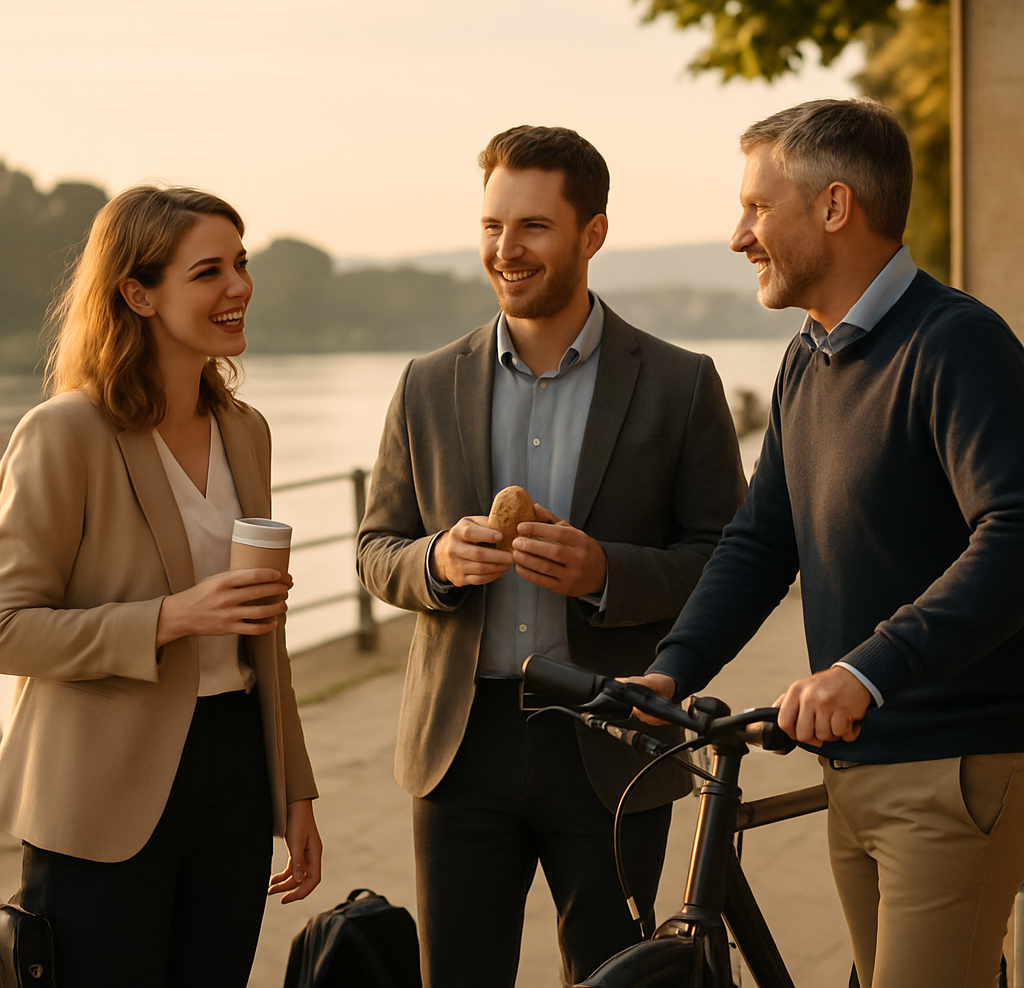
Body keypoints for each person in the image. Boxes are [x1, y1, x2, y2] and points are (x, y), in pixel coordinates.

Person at [633, 99, 1024, 988]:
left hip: (949, 770)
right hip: (854, 768)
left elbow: (1015, 534)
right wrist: (674, 667)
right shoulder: (808, 356)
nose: (739, 235)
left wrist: (864, 670)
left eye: (758, 207)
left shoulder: (956, 343)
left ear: (835, 207)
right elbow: (762, 538)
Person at [356, 125, 746, 987]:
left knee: (615, 978)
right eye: (493, 225)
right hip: (459, 748)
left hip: (610, 741)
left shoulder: (683, 383)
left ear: (592, 234)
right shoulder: (426, 382)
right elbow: (374, 548)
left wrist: (607, 574)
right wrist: (434, 563)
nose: (507, 248)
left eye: (532, 226)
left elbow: (728, 557)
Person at [0, 186, 322, 988]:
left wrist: (296, 791)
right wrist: (169, 618)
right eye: (209, 271)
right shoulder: (63, 433)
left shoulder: (246, 432)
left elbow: (263, 635)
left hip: (236, 774)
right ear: (138, 294)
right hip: (100, 791)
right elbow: (8, 627)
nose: (239, 286)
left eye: (240, 264)